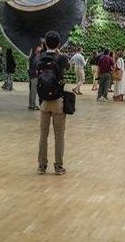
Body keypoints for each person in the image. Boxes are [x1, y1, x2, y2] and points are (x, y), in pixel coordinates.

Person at [33, 31, 71, 176]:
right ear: (58, 44)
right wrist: (59, 53)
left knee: (43, 134)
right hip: (57, 101)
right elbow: (68, 67)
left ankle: (41, 166)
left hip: (43, 101)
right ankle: (58, 166)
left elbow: (35, 72)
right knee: (59, 135)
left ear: (45, 43)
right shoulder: (60, 58)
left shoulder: (40, 57)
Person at [28, 41, 44, 110]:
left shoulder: (33, 56)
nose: (42, 48)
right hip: (35, 75)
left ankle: (31, 104)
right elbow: (36, 66)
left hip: (32, 75)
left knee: (32, 90)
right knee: (34, 90)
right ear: (37, 48)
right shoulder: (37, 56)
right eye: (40, 47)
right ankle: (33, 104)